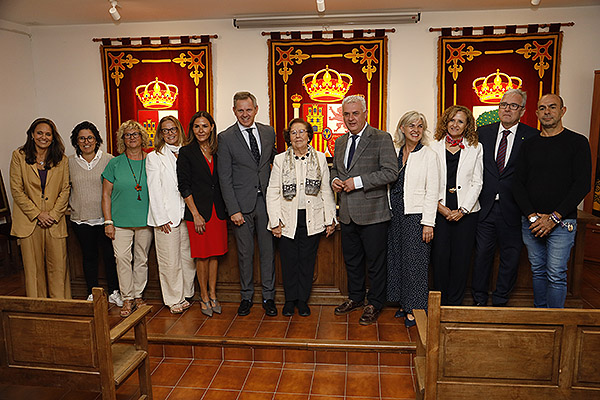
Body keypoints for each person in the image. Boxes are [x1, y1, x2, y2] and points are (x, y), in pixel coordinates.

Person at [513, 94, 591, 308]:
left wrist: (554, 217)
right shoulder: (528, 145)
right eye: (542, 108)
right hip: (532, 222)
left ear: (562, 111)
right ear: (536, 113)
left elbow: (582, 184)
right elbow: (517, 184)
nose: (547, 111)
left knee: (556, 273)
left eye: (552, 107)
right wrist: (532, 216)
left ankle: (556, 322)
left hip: (563, 222)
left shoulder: (578, 142)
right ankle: (542, 318)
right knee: (537, 270)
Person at [331, 95, 398, 325]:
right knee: (352, 261)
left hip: (374, 214)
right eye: (347, 114)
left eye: (355, 113)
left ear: (365, 113)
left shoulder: (381, 138)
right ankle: (356, 298)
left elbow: (391, 172)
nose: (351, 118)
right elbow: (336, 171)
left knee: (376, 263)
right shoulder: (340, 142)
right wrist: (335, 181)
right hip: (348, 213)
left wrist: (357, 182)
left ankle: (375, 303)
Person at [471, 89, 538, 307]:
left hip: (515, 209)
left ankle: (500, 299)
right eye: (504, 105)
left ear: (523, 111)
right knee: (481, 256)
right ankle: (479, 298)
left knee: (510, 258)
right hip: (485, 207)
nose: (507, 109)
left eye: (513, 106)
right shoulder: (482, 133)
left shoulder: (533, 137)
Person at [266, 118, 336, 317]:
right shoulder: (280, 159)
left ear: (309, 135)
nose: (297, 136)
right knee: (288, 262)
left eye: (301, 132)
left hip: (311, 218)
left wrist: (330, 218)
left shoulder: (320, 158)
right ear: (288, 136)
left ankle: (302, 300)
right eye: (293, 132)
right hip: (287, 219)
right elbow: (273, 192)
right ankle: (289, 300)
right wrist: (275, 221)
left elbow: (325, 191)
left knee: (306, 261)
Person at [217, 91, 277, 317]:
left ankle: (269, 298)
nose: (245, 114)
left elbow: (274, 164)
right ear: (234, 111)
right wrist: (233, 209)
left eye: (248, 109)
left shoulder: (268, 132)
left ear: (256, 109)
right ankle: (246, 297)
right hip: (241, 206)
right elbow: (225, 177)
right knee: (244, 254)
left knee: (268, 252)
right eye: (240, 110)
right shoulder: (226, 137)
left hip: (267, 203)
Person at [387, 111, 439, 327]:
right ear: (402, 128)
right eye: (411, 126)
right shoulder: (395, 152)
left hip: (416, 215)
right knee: (397, 258)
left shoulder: (429, 155)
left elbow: (433, 190)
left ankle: (415, 309)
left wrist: (428, 222)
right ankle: (403, 303)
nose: (416, 130)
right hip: (395, 213)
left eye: (420, 126)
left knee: (415, 263)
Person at [10, 118, 71, 298]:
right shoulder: (18, 156)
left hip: (54, 221)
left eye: (48, 134)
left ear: (53, 138)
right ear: (31, 134)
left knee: (59, 269)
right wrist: (38, 214)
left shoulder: (62, 159)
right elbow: (16, 189)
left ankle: (61, 307)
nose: (43, 137)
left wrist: (51, 215)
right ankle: (38, 310)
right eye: (39, 133)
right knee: (33, 270)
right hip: (29, 222)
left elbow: (65, 189)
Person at [430, 105, 483, 306]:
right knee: (440, 259)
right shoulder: (432, 145)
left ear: (467, 125)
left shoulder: (476, 147)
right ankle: (439, 305)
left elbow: (478, 182)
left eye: (460, 121)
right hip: (439, 211)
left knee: (461, 261)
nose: (455, 124)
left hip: (466, 213)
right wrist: (441, 208)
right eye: (452, 120)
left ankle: (455, 305)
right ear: (446, 122)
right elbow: (428, 180)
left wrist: (463, 210)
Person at [178, 111, 228, 317]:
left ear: (212, 128)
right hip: (198, 213)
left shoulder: (219, 150)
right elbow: (184, 186)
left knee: (215, 254)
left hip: (218, 211)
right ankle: (204, 297)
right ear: (192, 129)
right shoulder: (186, 152)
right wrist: (195, 214)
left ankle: (214, 294)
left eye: (205, 126)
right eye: (197, 126)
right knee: (202, 256)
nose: (201, 130)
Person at [102, 120, 153, 317]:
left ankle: (138, 295)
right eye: (127, 135)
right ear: (122, 139)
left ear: (142, 137)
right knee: (122, 258)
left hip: (145, 220)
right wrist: (108, 221)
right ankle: (127, 298)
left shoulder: (151, 161)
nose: (132, 138)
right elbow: (106, 194)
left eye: (135, 134)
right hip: (120, 222)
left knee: (141, 259)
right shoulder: (114, 163)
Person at [68, 121, 122, 305]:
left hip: (105, 218)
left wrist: (110, 219)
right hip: (81, 219)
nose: (86, 141)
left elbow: (116, 188)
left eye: (90, 137)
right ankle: (92, 292)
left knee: (109, 256)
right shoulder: (69, 162)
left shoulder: (109, 159)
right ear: (76, 141)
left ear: (96, 139)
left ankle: (115, 291)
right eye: (82, 138)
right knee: (89, 256)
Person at [147, 116, 196, 314]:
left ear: (179, 130)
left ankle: (186, 294)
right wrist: (161, 219)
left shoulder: (188, 151)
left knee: (187, 259)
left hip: (187, 214)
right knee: (169, 260)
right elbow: (154, 189)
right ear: (160, 133)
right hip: (166, 217)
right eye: (165, 130)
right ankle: (173, 298)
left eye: (173, 129)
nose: (170, 133)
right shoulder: (154, 156)